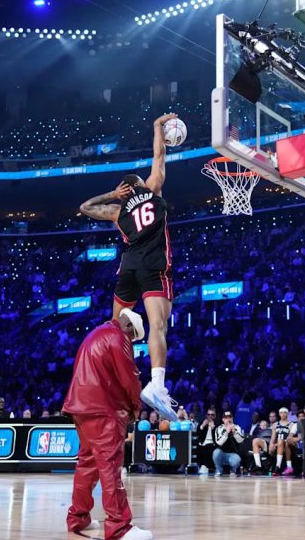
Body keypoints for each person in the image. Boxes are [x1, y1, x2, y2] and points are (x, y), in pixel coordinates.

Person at [79, 113, 179, 422]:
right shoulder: (153, 190)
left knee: (113, 326)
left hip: (129, 265)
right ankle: (157, 386)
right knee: (158, 326)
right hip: (152, 263)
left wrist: (112, 195)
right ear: (139, 184)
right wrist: (156, 129)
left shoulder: (116, 211)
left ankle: (108, 382)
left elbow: (84, 208)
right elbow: (159, 155)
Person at [62, 309, 152, 540]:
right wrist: (135, 407)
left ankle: (78, 518)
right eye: (133, 338)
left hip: (80, 407)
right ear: (131, 329)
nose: (131, 341)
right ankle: (119, 528)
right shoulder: (119, 337)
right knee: (110, 466)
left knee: (88, 464)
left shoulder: (96, 333)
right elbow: (129, 377)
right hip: (104, 409)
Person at [213, 410, 245, 477]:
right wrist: (226, 433)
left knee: (237, 459)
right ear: (223, 420)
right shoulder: (219, 428)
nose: (228, 419)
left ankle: (233, 470)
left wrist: (234, 433)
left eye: (230, 417)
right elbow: (219, 442)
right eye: (226, 418)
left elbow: (241, 440)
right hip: (221, 454)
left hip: (232, 455)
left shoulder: (237, 427)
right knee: (216, 452)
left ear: (232, 418)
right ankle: (219, 470)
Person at [271, 407, 296, 476]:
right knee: (279, 442)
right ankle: (277, 466)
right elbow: (273, 438)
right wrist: (271, 445)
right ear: (279, 414)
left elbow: (290, 438)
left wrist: (279, 443)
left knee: (281, 441)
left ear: (287, 414)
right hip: (278, 444)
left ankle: (278, 466)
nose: (283, 414)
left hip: (287, 445)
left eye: (285, 412)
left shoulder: (292, 424)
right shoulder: (275, 424)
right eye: (281, 413)